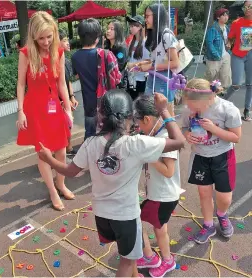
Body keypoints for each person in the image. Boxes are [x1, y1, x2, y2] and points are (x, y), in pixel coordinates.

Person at [38, 90, 186, 277]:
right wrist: (164, 110)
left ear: (101, 116)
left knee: (128, 253)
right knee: (127, 260)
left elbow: (70, 172)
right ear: (129, 117)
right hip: (126, 216)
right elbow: (179, 141)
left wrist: (48, 159)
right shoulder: (136, 144)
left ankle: (134, 275)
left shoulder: (91, 143)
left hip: (102, 215)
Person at [16, 11, 75, 211]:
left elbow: (61, 84)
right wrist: (20, 111)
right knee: (43, 152)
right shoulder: (25, 53)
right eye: (41, 37)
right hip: (34, 108)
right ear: (33, 35)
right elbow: (20, 84)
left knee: (61, 148)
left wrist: (68, 108)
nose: (46, 41)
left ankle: (61, 184)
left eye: (49, 36)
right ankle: (52, 191)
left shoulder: (58, 51)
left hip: (53, 106)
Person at [182, 79, 242, 244]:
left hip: (223, 155)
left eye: (196, 107)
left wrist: (214, 129)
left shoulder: (228, 110)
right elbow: (184, 128)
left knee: (224, 196)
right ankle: (208, 225)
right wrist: (187, 135)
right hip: (201, 156)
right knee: (204, 193)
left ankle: (222, 214)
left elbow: (236, 137)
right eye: (189, 105)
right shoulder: (190, 109)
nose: (192, 110)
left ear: (209, 98)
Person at [133, 95, 181, 277]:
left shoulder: (165, 137)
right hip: (157, 194)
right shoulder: (154, 134)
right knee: (150, 224)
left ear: (147, 119)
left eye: (139, 124)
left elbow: (169, 171)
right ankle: (150, 256)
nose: (139, 129)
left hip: (164, 195)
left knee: (157, 229)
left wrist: (149, 155)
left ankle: (166, 261)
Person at [139, 3, 180, 116]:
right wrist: (141, 64)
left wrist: (151, 66)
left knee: (165, 113)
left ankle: (169, 133)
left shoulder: (166, 35)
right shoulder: (153, 36)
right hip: (153, 77)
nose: (145, 19)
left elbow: (175, 63)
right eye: (145, 16)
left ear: (157, 16)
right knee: (150, 109)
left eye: (147, 16)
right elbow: (157, 59)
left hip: (165, 79)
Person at [71, 18, 101, 140]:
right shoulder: (103, 53)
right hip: (105, 100)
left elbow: (77, 75)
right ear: (97, 37)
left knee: (89, 133)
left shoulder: (75, 57)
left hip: (89, 101)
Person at [224, 0, 252, 121]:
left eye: (250, 6)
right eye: (245, 7)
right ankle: (221, 102)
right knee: (236, 84)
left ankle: (247, 110)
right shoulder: (237, 23)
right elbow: (230, 39)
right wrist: (228, 44)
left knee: (250, 84)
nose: (247, 9)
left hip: (251, 55)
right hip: (238, 55)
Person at [59, 31, 79, 155]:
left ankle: (69, 148)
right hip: (56, 100)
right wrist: (61, 100)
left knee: (69, 123)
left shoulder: (66, 61)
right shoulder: (53, 61)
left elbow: (68, 81)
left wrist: (72, 97)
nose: (68, 43)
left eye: (68, 39)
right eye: (65, 40)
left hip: (66, 97)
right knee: (59, 126)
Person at [205, 8, 231, 95]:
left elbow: (229, 40)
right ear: (218, 17)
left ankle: (221, 91)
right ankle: (208, 92)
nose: (226, 17)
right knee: (212, 76)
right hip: (214, 57)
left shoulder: (227, 28)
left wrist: (229, 45)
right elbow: (209, 43)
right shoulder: (213, 28)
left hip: (225, 55)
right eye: (223, 15)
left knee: (225, 75)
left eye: (227, 15)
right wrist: (216, 54)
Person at [126, 15, 150, 100]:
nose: (130, 28)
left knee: (140, 104)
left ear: (140, 27)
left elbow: (149, 62)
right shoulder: (131, 43)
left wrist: (133, 65)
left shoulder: (145, 43)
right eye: (130, 26)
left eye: (133, 26)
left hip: (141, 80)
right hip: (131, 79)